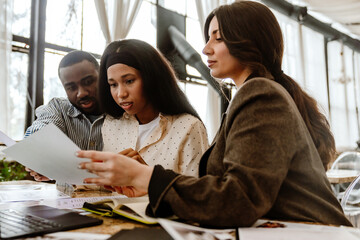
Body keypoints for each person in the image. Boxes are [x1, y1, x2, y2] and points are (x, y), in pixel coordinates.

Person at [77, 1, 351, 227]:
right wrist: (152, 185)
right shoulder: (253, 95)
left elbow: (238, 199)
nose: (206, 48)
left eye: (217, 38)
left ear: (248, 41)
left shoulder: (260, 94)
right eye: (208, 38)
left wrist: (146, 178)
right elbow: (227, 188)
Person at [98, 39, 208, 181]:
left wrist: (149, 177)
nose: (120, 94)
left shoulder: (188, 127)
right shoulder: (112, 124)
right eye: (113, 84)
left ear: (152, 78)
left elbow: (198, 195)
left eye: (129, 81)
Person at [25, 50, 104, 181]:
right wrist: (38, 149)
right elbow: (42, 126)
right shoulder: (58, 108)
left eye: (88, 82)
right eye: (71, 87)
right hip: (68, 199)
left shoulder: (124, 109)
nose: (81, 93)